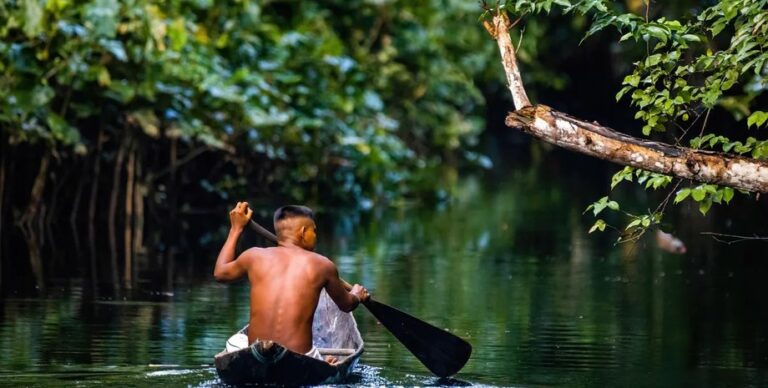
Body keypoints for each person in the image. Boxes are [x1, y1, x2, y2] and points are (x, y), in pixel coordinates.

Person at [213, 202, 370, 363]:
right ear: (303, 232)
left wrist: (235, 229)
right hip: (301, 360)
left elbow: (220, 273)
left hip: (257, 356)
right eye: (314, 231)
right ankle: (322, 362)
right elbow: (346, 305)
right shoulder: (323, 265)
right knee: (322, 360)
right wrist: (357, 295)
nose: (316, 236)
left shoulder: (253, 256)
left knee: (237, 341)